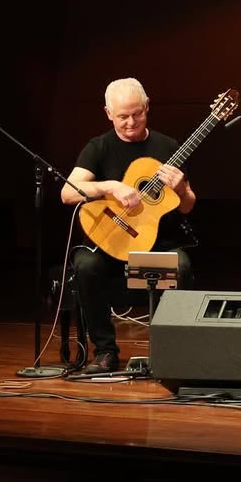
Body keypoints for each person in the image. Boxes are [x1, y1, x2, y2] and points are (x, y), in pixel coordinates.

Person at [61, 78, 196, 374]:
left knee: (181, 266)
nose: (131, 122)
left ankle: (167, 352)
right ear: (108, 113)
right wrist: (110, 186)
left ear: (147, 107)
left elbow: (186, 205)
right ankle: (105, 352)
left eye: (137, 113)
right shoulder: (99, 147)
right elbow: (68, 193)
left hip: (156, 243)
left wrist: (181, 188)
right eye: (123, 116)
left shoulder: (168, 146)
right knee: (85, 265)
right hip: (110, 243)